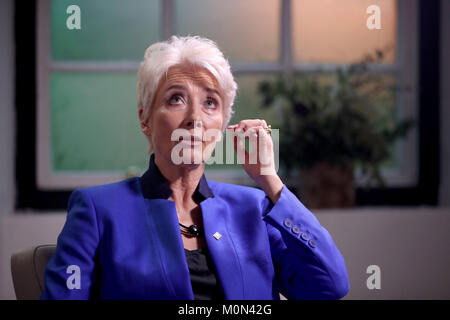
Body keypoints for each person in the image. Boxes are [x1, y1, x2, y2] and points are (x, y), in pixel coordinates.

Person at [40, 35, 350, 300]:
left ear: (223, 125)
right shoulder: (98, 209)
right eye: (176, 99)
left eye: (210, 103)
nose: (195, 118)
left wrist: (269, 180)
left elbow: (329, 286)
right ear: (145, 119)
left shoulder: (254, 207)